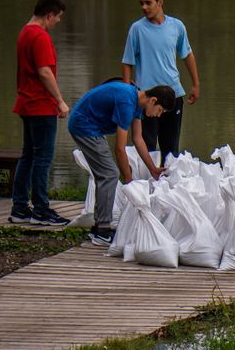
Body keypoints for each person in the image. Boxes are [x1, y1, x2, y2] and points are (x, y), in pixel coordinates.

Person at [67, 79, 174, 246]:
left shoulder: (138, 102)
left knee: (105, 175)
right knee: (110, 174)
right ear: (153, 100)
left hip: (91, 126)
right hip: (83, 125)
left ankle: (99, 227)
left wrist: (152, 168)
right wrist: (129, 181)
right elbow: (119, 148)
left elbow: (138, 139)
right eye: (159, 110)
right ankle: (102, 230)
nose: (158, 115)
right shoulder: (127, 103)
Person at [120, 0, 199, 161]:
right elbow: (127, 62)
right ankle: (145, 186)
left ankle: (169, 185)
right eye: (141, 3)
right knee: (146, 145)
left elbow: (187, 55)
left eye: (148, 3)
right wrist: (127, 93)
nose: (144, 7)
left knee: (170, 148)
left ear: (160, 2)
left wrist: (196, 84)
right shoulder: (137, 29)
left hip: (173, 95)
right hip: (147, 97)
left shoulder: (177, 26)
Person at [10, 0, 70, 227]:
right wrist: (60, 101)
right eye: (57, 18)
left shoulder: (25, 32)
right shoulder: (40, 36)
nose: (57, 22)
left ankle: (20, 208)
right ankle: (41, 210)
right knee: (42, 159)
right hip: (40, 105)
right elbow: (44, 71)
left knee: (28, 156)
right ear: (49, 15)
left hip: (26, 102)